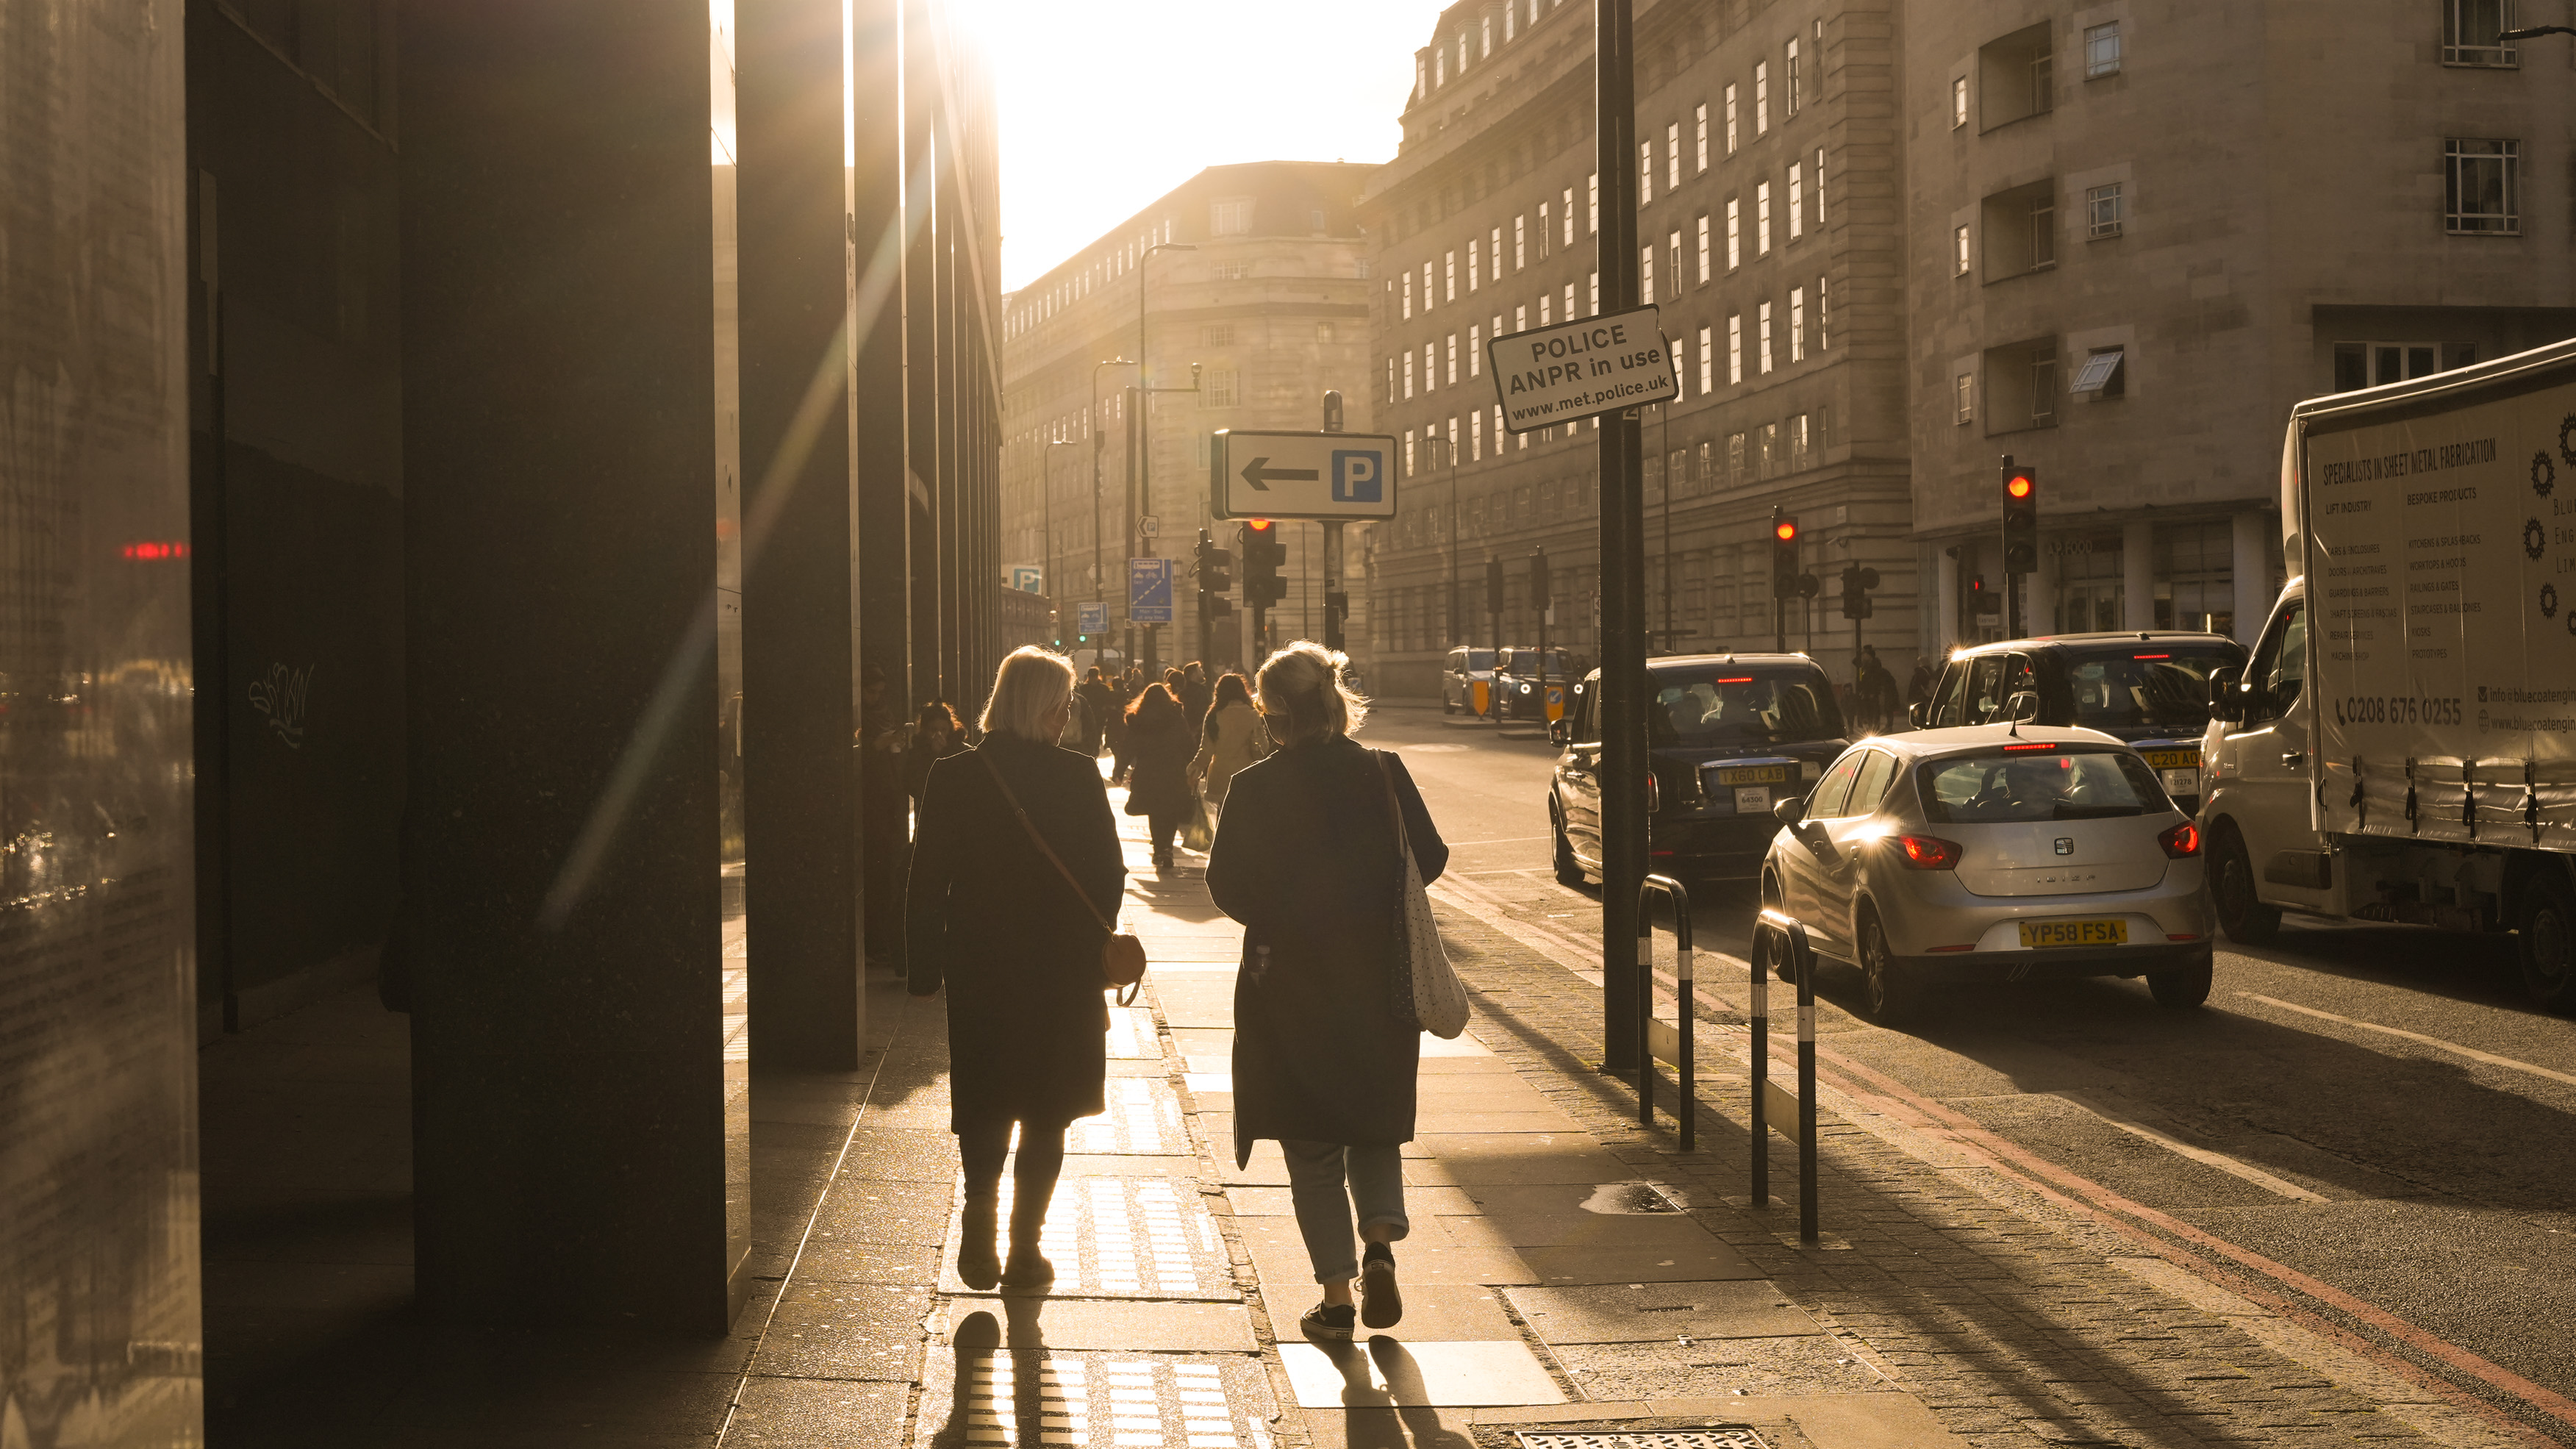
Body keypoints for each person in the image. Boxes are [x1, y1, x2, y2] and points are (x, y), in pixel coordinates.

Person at [1205, 642, 1448, 1342]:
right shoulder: (1382, 770)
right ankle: (1380, 1246)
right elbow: (1430, 857)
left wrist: (1279, 912)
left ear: (1277, 711)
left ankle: (1337, 1299)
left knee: (1310, 1144)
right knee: (1371, 1122)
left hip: (1290, 984)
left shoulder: (1255, 785)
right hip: (1377, 978)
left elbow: (1225, 883)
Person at [905, 647, 1126, 1290]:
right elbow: (1109, 874)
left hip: (982, 966)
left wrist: (924, 970)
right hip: (1063, 971)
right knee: (1047, 1109)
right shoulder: (1078, 775)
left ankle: (980, 1213)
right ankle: (1026, 1250)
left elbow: (926, 879)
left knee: (986, 1095)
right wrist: (1092, 947)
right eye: (1063, 704)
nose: (1068, 715)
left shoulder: (954, 774)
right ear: (1041, 706)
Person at [1122, 682, 1196, 870]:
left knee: (1154, 811)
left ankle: (1158, 849)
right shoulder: (1176, 717)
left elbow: (1129, 745)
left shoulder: (1139, 719)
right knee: (1170, 810)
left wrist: (1119, 769)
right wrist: (1193, 766)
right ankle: (1167, 848)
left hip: (1148, 770)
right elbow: (1187, 743)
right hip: (1174, 769)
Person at [1189, 672, 1270, 817]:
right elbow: (1262, 745)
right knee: (1243, 815)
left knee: (1223, 816)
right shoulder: (1251, 714)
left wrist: (1195, 769)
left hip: (1220, 774)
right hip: (1244, 773)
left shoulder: (1213, 715)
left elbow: (1206, 749)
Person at [904, 701, 965, 812]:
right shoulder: (916, 753)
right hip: (929, 812)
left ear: (950, 728)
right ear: (924, 730)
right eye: (933, 730)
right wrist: (934, 756)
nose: (939, 735)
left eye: (943, 730)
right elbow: (915, 787)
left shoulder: (962, 751)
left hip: (956, 810)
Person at [1076, 668, 1117, 759]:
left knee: (1095, 736)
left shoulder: (1084, 689)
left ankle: (1093, 754)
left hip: (1096, 717)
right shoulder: (1103, 688)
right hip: (1093, 717)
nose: (1093, 679)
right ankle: (1092, 754)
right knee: (1093, 736)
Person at [1181, 661, 1213, 738]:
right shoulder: (1199, 692)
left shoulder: (1183, 692)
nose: (1203, 673)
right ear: (1194, 674)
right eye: (1200, 671)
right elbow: (1203, 710)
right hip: (1200, 730)